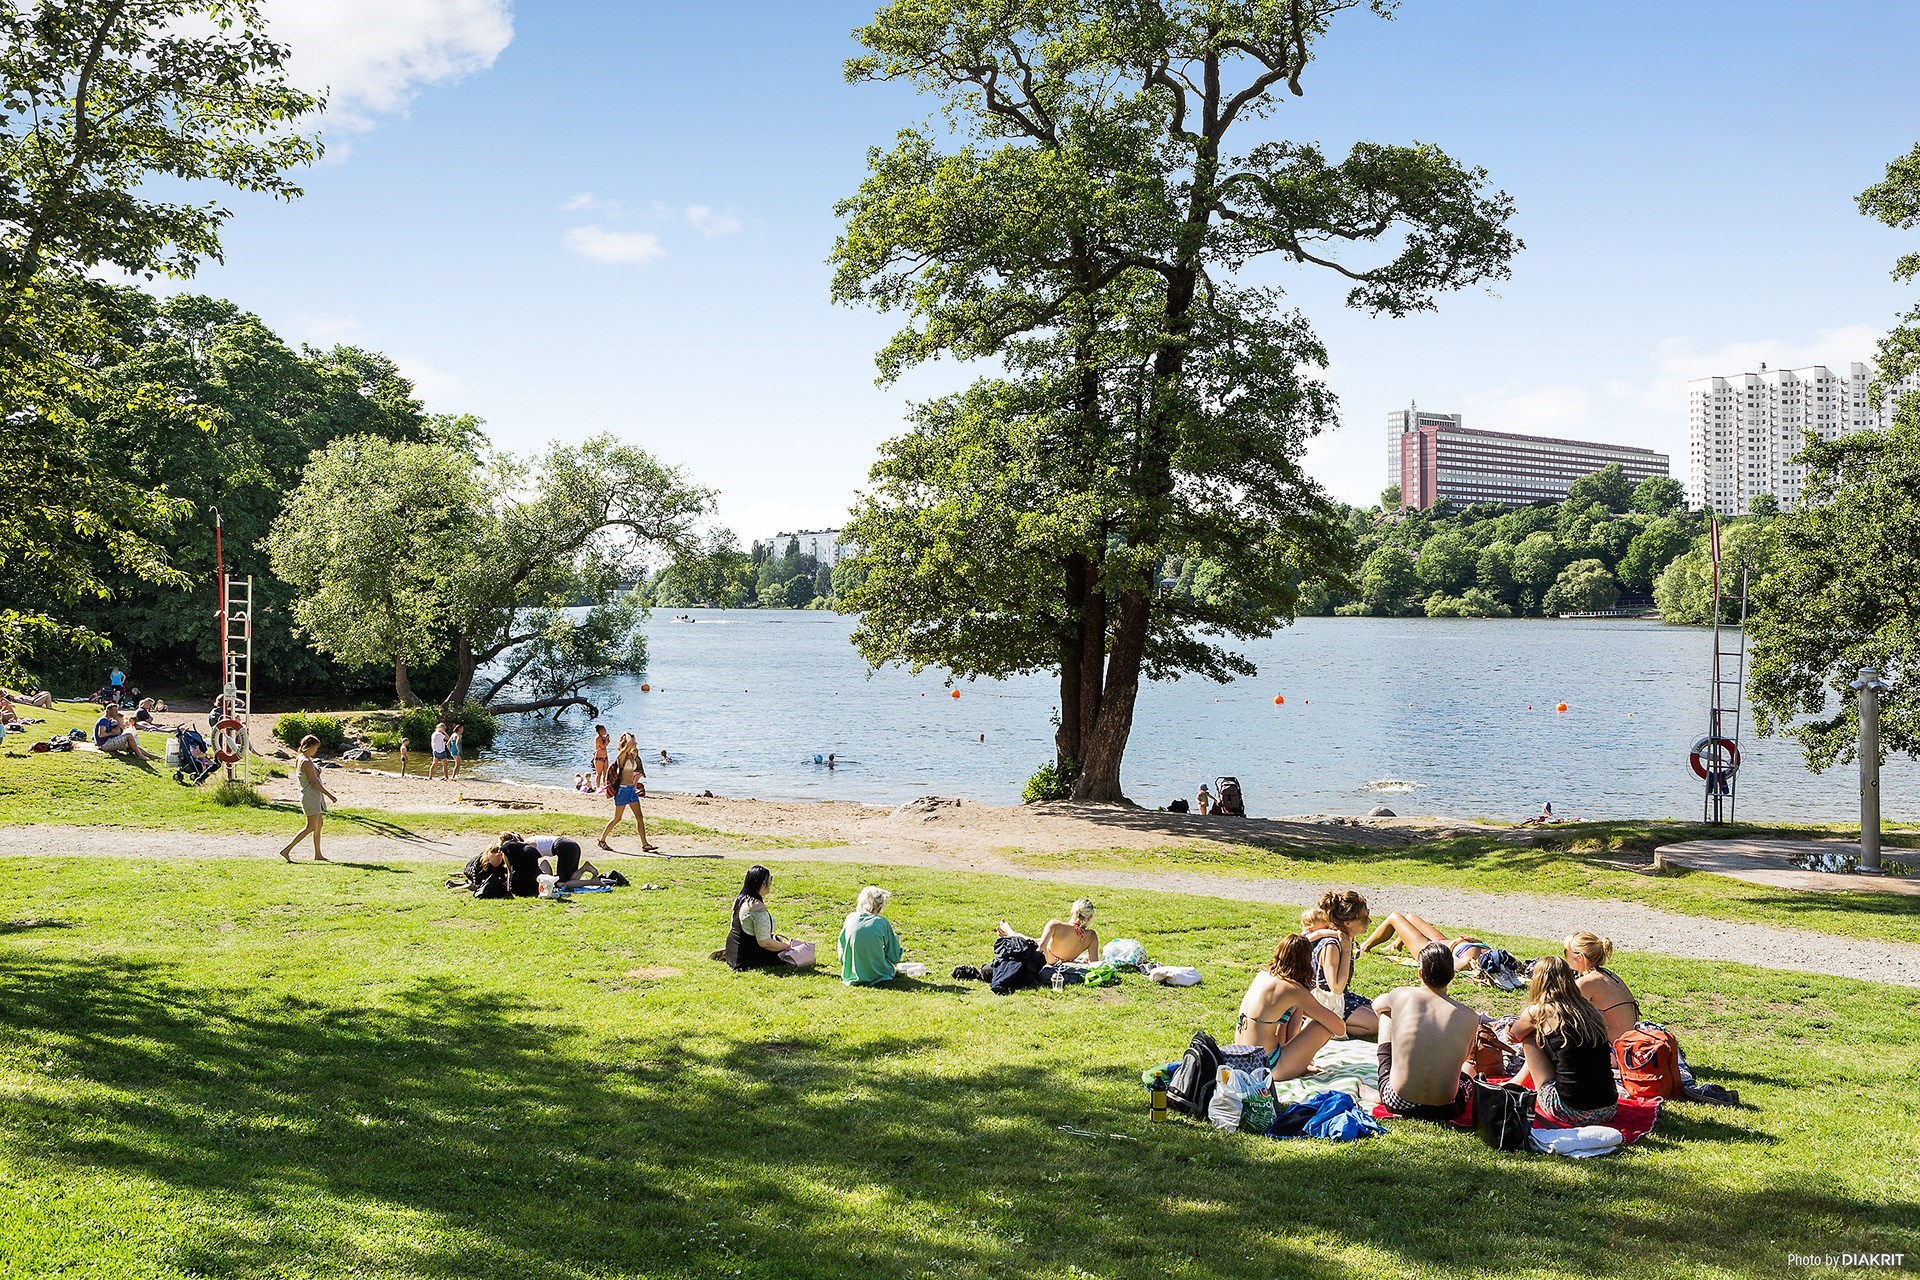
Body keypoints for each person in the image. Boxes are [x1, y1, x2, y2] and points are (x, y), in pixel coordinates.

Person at [1372, 942, 1481, 1121]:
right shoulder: (1470, 1016)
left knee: (1386, 1015)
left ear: (1420, 973)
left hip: (1398, 1100)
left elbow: (1377, 1005)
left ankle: (1382, 1089)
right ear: (1452, 975)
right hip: (1446, 1108)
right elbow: (1465, 1058)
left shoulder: (1402, 995)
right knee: (1469, 1068)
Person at [1508, 956, 1618, 1125]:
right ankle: (1517, 1082)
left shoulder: (1539, 1011)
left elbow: (1515, 1035)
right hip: (1608, 1108)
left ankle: (1517, 1083)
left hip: (1570, 1110)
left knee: (1530, 1037)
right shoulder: (1590, 1010)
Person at [1232, 934, 1348, 1080]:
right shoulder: (1292, 989)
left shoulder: (1263, 975)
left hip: (1242, 1060)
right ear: (1306, 962)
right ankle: (1299, 1063)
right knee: (1323, 1026)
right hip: (1268, 1068)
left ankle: (1298, 1062)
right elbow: (1339, 1027)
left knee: (1295, 1008)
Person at [1309, 890, 1379, 1038]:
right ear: (1348, 923)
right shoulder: (1332, 945)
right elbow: (1336, 988)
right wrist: (1347, 952)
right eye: (1364, 917)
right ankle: (1322, 1023)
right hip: (1325, 1003)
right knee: (1377, 1024)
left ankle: (1332, 1024)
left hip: (1342, 998)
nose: (1370, 921)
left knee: (1384, 1013)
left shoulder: (1344, 939)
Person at [724, 865, 811, 969]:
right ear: (762, 883)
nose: (771, 883)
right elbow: (765, 943)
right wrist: (788, 946)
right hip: (747, 958)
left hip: (732, 953)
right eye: (770, 880)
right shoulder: (757, 908)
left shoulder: (740, 900)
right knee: (800, 953)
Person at [1563, 931, 1640, 1043]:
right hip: (1631, 1045)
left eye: (1566, 952)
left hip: (1616, 1051)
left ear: (1579, 957)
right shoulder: (1609, 976)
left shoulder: (1585, 983)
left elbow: (1564, 1017)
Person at [1359, 910, 1490, 972]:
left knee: (1394, 917)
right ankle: (1395, 946)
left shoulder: (1470, 960)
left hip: (1430, 949)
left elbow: (1446, 964)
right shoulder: (1486, 951)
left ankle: (1364, 947)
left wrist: (1456, 943)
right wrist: (1457, 942)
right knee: (1409, 917)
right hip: (1445, 942)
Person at [276, 734, 337, 862]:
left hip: (310, 794)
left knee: (319, 824)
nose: (316, 750)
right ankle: (286, 850)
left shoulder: (301, 758)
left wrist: (316, 773)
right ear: (310, 746)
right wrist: (330, 795)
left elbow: (309, 777)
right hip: (311, 796)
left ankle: (318, 854)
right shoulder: (307, 761)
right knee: (310, 826)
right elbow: (314, 783)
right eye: (316, 747)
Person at [598, 733, 658, 852]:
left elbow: (635, 754)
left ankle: (645, 844)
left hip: (631, 789)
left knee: (639, 817)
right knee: (617, 818)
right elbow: (628, 745)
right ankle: (602, 840)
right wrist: (627, 735)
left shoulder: (632, 755)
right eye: (633, 741)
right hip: (623, 789)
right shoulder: (622, 755)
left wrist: (634, 748)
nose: (635, 743)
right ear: (627, 743)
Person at [995, 899, 1099, 964]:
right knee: (1036, 940)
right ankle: (1011, 933)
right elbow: (1095, 964)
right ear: (1089, 917)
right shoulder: (1091, 936)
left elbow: (1041, 947)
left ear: (1071, 912)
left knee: (1033, 941)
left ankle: (1011, 933)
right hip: (1063, 958)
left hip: (1049, 957)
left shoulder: (1056, 925)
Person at [838, 885, 905, 985]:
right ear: (880, 906)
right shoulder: (882, 923)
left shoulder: (850, 918)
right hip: (879, 974)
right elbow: (894, 956)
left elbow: (842, 950)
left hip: (852, 972)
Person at [592, 724, 610, 790]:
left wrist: (607, 739)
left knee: (605, 772)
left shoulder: (603, 738)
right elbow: (603, 746)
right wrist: (606, 740)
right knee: (599, 773)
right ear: (599, 731)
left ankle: (605, 785)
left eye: (604, 729)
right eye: (602, 730)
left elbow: (607, 744)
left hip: (605, 757)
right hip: (599, 758)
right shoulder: (598, 738)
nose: (604, 731)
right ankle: (598, 787)